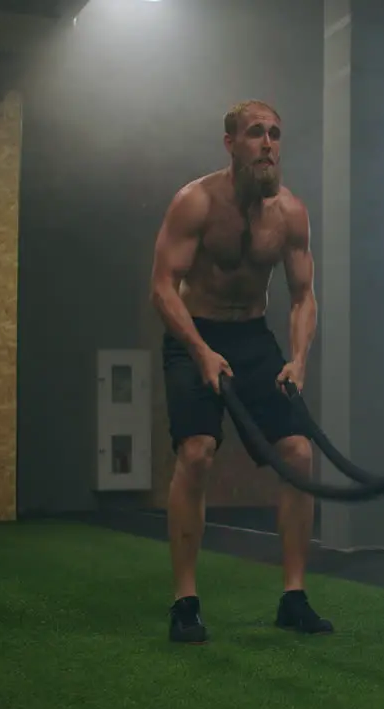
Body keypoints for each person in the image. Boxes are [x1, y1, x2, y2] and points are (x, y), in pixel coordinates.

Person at [149, 99, 329, 643]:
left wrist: (297, 360)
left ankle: (293, 597)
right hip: (194, 333)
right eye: (256, 133)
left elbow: (303, 298)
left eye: (275, 133)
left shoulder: (290, 213)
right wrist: (201, 352)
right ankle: (185, 601)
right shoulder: (196, 202)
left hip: (253, 339)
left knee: (299, 453)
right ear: (231, 144)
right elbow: (162, 287)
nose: (268, 143)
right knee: (197, 452)